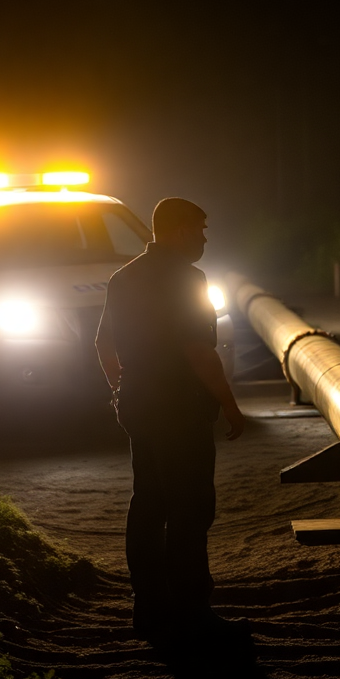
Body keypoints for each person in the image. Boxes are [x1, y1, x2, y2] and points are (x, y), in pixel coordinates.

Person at [95, 197, 246, 644]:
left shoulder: (122, 279)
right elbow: (200, 353)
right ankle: (193, 615)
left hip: (140, 407)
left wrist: (122, 391)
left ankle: (150, 611)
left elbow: (103, 346)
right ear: (179, 230)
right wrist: (231, 406)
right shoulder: (188, 279)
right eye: (199, 229)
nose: (203, 238)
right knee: (189, 510)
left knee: (148, 506)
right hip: (180, 410)